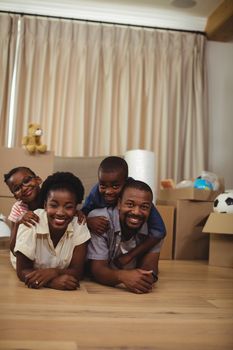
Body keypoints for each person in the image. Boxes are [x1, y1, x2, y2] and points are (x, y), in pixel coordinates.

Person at [82, 156, 166, 269]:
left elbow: (159, 231)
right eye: (103, 186)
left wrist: (130, 256)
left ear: (126, 183)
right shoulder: (96, 192)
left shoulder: (136, 194)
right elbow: (82, 213)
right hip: (104, 234)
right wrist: (88, 221)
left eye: (115, 186)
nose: (108, 191)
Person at [14, 172, 90, 290]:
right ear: (45, 205)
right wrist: (51, 282)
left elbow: (78, 271)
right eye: (54, 205)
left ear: (76, 208)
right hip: (17, 257)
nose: (60, 212)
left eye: (68, 207)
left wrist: (53, 272)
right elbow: (22, 271)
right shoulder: (30, 222)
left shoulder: (79, 224)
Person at [87, 179, 161, 294]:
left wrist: (146, 279)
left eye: (144, 207)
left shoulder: (154, 230)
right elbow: (97, 270)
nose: (136, 212)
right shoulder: (101, 220)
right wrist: (123, 277)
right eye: (130, 204)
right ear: (119, 203)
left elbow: (150, 269)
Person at [4, 167, 43, 268]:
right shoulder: (18, 208)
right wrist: (18, 222)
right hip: (26, 250)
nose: (24, 188)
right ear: (16, 196)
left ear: (38, 180)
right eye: (17, 189)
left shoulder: (51, 199)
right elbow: (12, 248)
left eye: (26, 181)